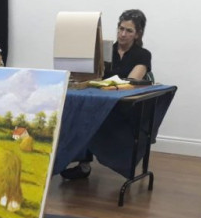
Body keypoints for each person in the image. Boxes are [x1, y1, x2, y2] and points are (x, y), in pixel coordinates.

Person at [61, 9, 152, 180]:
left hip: (123, 107)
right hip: (100, 102)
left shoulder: (143, 55)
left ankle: (83, 162)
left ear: (138, 34)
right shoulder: (104, 49)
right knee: (79, 112)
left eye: (129, 31)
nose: (122, 34)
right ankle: (82, 163)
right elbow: (90, 74)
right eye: (121, 28)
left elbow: (132, 82)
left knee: (86, 115)